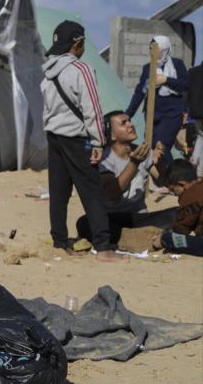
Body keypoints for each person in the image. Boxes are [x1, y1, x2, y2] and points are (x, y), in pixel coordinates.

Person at [41, 20, 119, 261]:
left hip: (54, 137)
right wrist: (98, 142)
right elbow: (92, 109)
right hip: (77, 139)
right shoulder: (81, 70)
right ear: (78, 44)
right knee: (91, 191)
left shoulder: (47, 73)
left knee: (59, 191)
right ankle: (103, 247)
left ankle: (59, 242)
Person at [75, 110, 174, 245]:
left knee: (176, 213)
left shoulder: (142, 151)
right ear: (112, 135)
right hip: (112, 217)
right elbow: (113, 193)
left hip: (138, 218)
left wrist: (159, 162)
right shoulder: (103, 158)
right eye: (123, 123)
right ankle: (137, 238)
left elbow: (166, 182)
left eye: (129, 121)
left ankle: (133, 237)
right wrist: (134, 163)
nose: (130, 125)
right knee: (84, 223)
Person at [126, 35, 189, 167]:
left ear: (164, 49)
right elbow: (140, 92)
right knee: (152, 146)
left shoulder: (177, 64)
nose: (152, 53)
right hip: (152, 114)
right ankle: (166, 180)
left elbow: (185, 85)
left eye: (156, 49)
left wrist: (166, 80)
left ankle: (178, 176)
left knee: (162, 145)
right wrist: (128, 114)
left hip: (172, 113)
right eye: (150, 49)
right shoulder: (148, 68)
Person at [153, 160, 203, 257]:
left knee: (168, 239)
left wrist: (163, 237)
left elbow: (181, 229)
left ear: (182, 185)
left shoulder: (190, 193)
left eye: (173, 190)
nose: (175, 195)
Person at [188, 61, 203, 177]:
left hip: (195, 112)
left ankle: (193, 161)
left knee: (200, 136)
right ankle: (200, 170)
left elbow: (186, 92)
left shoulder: (192, 72)